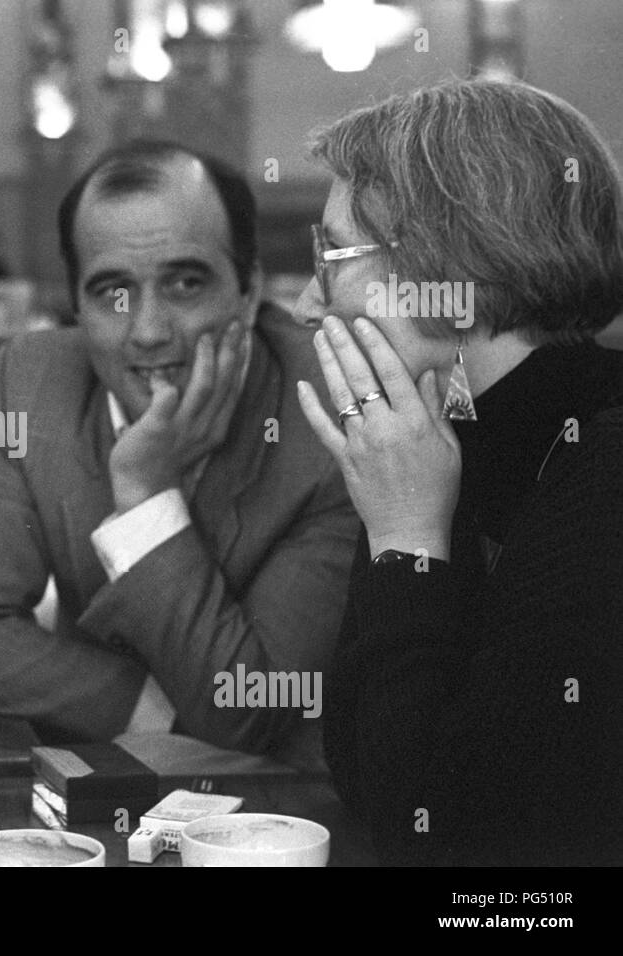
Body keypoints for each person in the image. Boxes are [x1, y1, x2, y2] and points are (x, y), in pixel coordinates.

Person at [0, 140, 360, 763]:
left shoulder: (327, 414)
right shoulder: (33, 382)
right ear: (75, 306)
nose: (150, 330)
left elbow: (247, 707)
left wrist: (146, 494)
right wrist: (154, 711)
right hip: (97, 797)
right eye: (112, 292)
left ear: (249, 287)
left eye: (185, 282)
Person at [294, 79, 623, 865]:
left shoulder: (606, 471)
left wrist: (406, 536)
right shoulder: (451, 438)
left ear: (446, 266)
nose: (310, 303)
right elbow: (368, 775)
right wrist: (402, 525)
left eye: (331, 256)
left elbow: (463, 864)